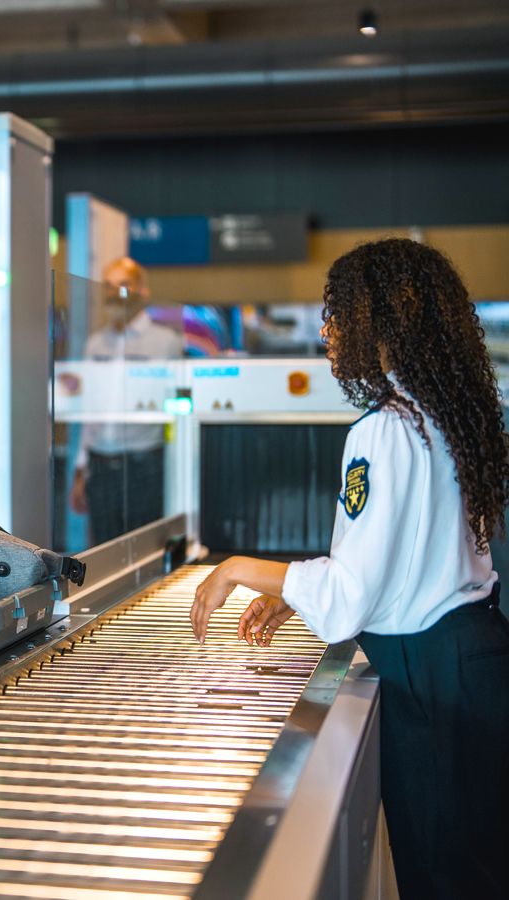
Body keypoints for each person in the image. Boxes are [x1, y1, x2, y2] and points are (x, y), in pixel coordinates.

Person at [189, 238, 509, 899]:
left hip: (433, 684)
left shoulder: (383, 431)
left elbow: (352, 598)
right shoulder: (444, 412)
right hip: (475, 662)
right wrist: (295, 589)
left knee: (443, 876)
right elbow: (398, 559)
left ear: (380, 319)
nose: (328, 330)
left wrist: (240, 570)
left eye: (338, 313)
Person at [69, 257, 183, 544]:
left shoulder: (165, 342)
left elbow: (178, 411)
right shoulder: (96, 343)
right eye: (108, 286)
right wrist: (80, 470)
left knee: (146, 550)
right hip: (101, 463)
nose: (114, 293)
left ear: (142, 291)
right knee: (104, 550)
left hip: (145, 463)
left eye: (123, 285)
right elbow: (90, 411)